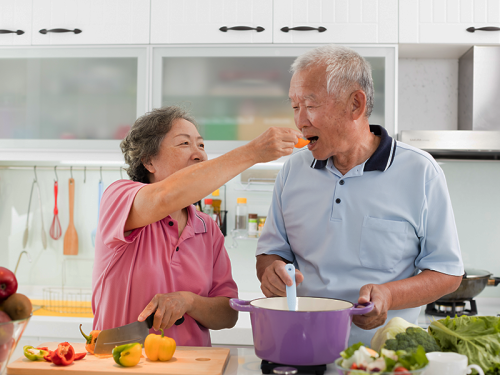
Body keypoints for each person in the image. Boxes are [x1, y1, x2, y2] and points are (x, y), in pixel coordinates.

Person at [256, 45, 464, 346]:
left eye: (310, 105)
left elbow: (447, 272)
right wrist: (270, 270)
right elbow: (270, 252)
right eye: (294, 106)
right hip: (300, 348)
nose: (300, 121)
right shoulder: (293, 170)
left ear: (355, 104)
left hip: (385, 356)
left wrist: (389, 295)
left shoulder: (420, 172)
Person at [92, 106, 302, 346]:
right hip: (120, 366)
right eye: (184, 144)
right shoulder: (119, 198)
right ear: (149, 160)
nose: (199, 154)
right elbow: (165, 197)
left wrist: (189, 301)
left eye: (201, 145)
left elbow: (228, 314)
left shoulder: (207, 228)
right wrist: (252, 152)